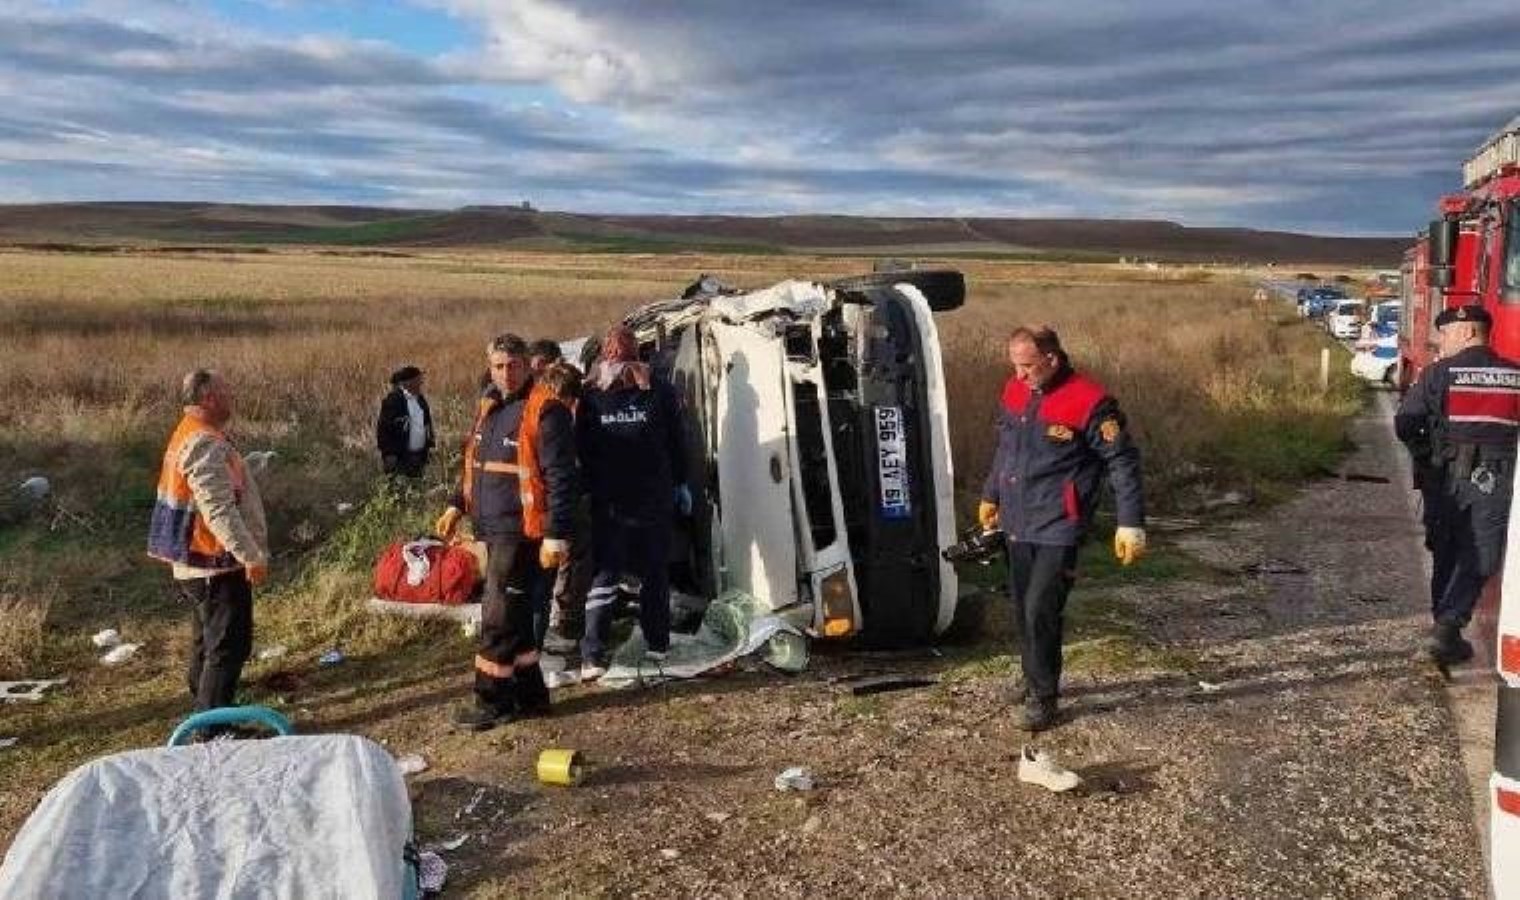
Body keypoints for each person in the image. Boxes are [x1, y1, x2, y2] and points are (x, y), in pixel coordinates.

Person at [979, 326, 1145, 731]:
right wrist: (991, 495)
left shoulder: (1090, 402)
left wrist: (1130, 523)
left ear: (1052, 359)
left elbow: (1122, 463)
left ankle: (1044, 696)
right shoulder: (1015, 390)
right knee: (1022, 605)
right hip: (1018, 519)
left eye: (1027, 366)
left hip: (1059, 523)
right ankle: (1031, 674)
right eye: (1014, 365)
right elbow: (1005, 449)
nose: (1019, 375)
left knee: (1041, 608)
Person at [436, 334, 577, 730]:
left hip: (523, 534)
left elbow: (562, 478)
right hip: (492, 530)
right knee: (513, 619)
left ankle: (491, 701)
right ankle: (531, 697)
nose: (505, 373)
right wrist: (456, 505)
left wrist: (556, 535)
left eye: (512, 365)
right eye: (498, 366)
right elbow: (475, 467)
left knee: (496, 618)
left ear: (528, 365)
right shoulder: (491, 409)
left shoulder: (545, 411)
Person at [1395, 305, 1520, 666]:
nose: (1441, 342)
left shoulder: (1437, 374)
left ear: (1467, 332)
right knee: (1482, 552)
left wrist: (1427, 456)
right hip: (1495, 479)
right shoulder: (1515, 376)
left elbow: (1405, 423)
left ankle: (1444, 629)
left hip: (1444, 477)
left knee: (1447, 550)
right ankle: (1447, 631)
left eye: (1446, 334)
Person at [147, 369, 269, 715]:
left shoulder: (192, 432)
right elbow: (217, 510)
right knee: (229, 645)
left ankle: (205, 705)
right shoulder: (203, 441)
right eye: (226, 390)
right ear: (208, 398)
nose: (232, 396)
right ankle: (214, 725)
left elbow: (214, 489)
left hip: (198, 562)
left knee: (207, 641)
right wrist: (250, 555)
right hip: (213, 561)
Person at [576, 326, 690, 681]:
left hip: (645, 499)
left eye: (620, 352)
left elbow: (676, 440)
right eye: (613, 352)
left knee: (645, 573)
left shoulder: (657, 390)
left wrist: (680, 481)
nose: (617, 358)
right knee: (613, 574)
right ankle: (596, 650)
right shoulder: (592, 395)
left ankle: (652, 644)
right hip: (616, 501)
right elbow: (580, 447)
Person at [535, 360, 592, 654]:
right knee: (570, 565)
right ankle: (564, 628)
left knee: (550, 573)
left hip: (538, 508)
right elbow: (561, 471)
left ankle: (551, 630)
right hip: (558, 507)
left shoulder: (531, 411)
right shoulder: (554, 417)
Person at [375, 365, 434, 478]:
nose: (421, 382)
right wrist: (389, 453)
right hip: (400, 457)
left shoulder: (420, 399)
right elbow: (383, 429)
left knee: (417, 489)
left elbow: (427, 423)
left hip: (420, 455)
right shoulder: (393, 401)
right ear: (407, 383)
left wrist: (430, 444)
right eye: (418, 380)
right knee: (400, 490)